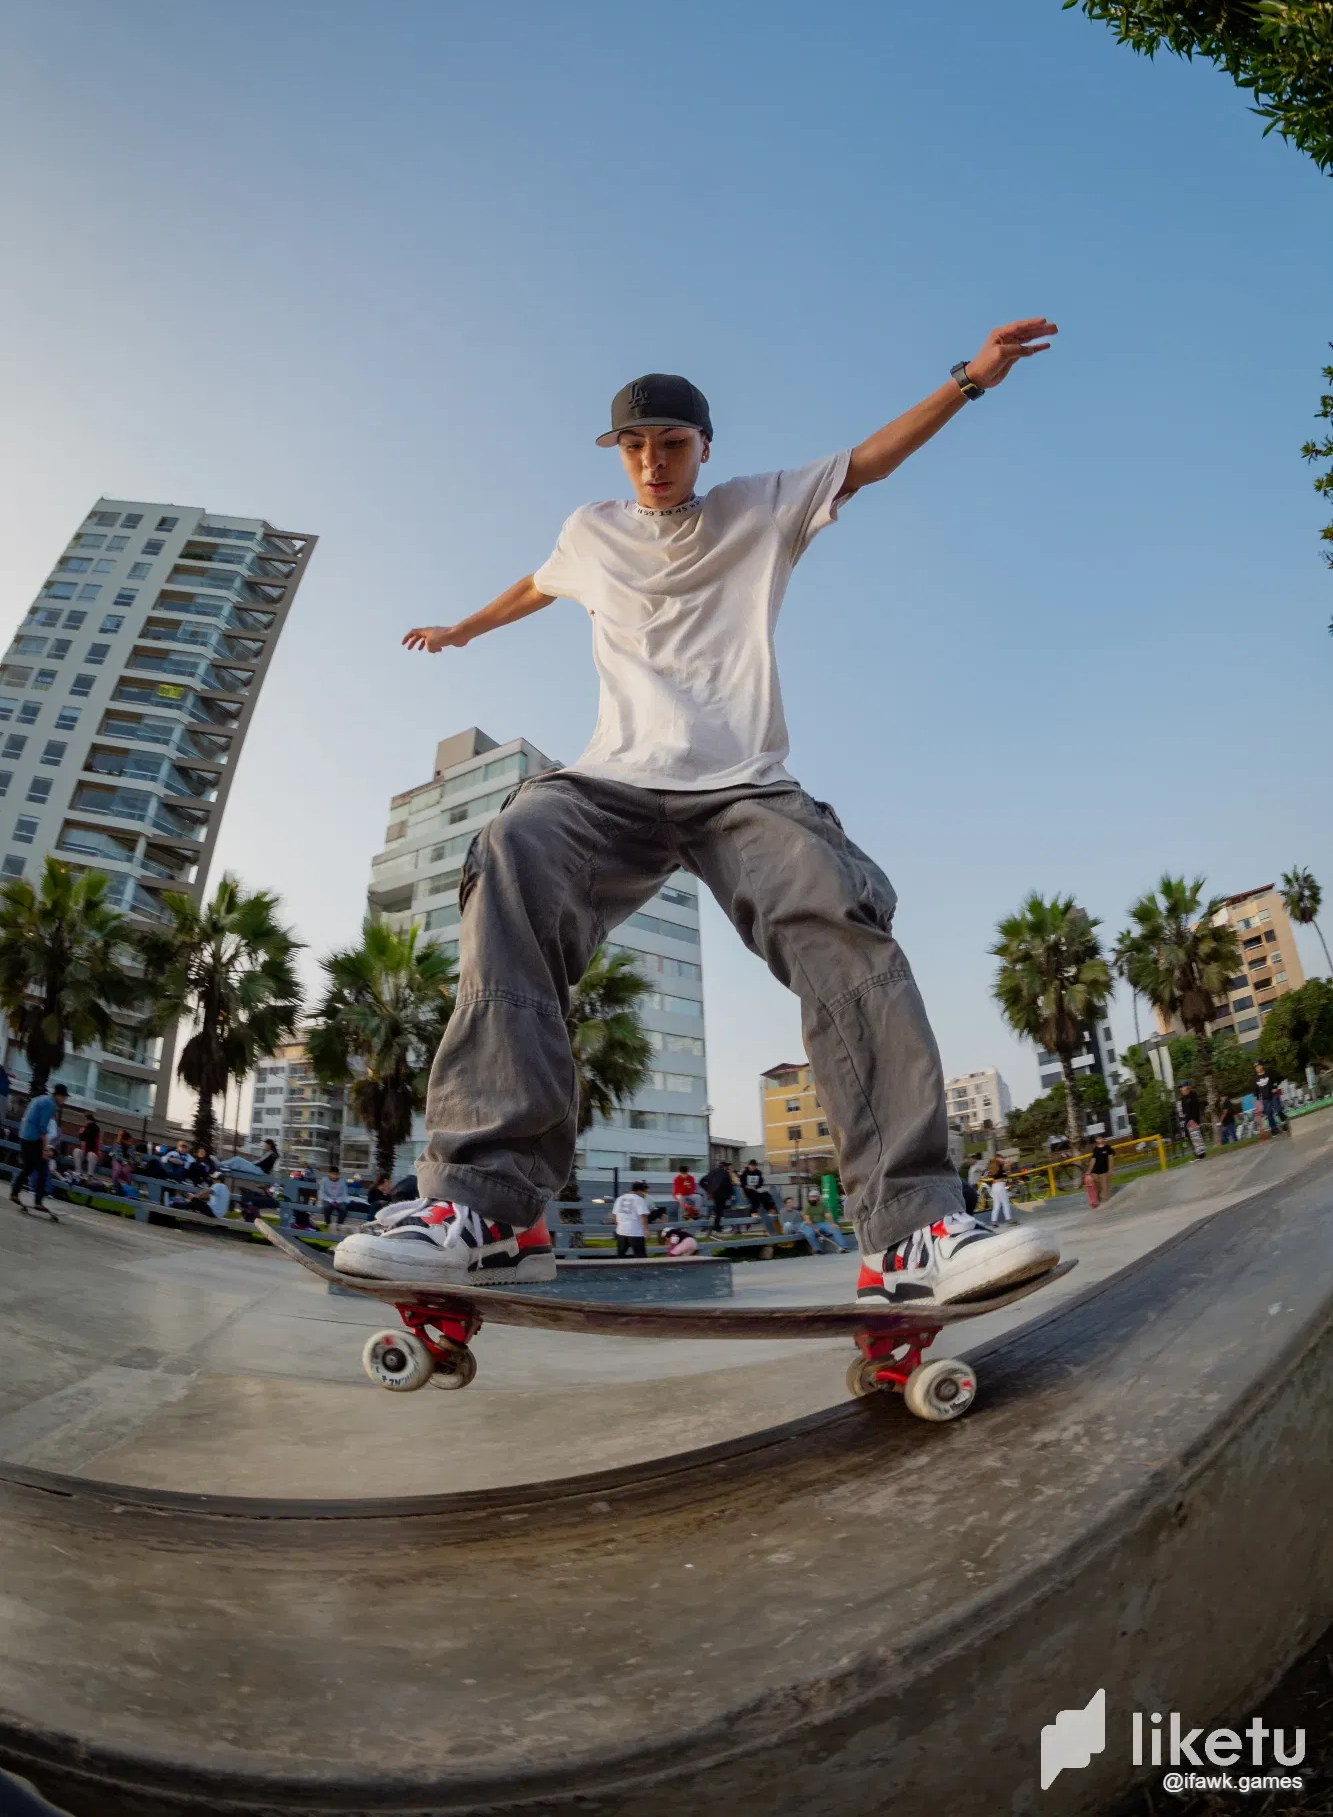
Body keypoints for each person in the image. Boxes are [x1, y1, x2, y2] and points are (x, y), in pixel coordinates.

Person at [333, 323, 1063, 1309]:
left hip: (743, 788)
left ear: (703, 445)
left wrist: (969, 380)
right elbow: (534, 583)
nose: (652, 462)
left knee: (832, 900)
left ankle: (913, 1226)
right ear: (617, 452)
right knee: (510, 847)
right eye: (635, 446)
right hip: (610, 787)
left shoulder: (760, 507)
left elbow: (870, 459)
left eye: (671, 443)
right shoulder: (590, 532)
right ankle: (489, 1210)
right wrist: (466, 624)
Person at [9, 1083, 67, 1216]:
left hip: (24, 1135)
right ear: (58, 1095)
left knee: (28, 1167)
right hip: (33, 1138)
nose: (64, 1100)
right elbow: (42, 1129)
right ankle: (38, 1202)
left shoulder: (39, 1098)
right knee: (42, 1169)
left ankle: (14, 1193)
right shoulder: (50, 1105)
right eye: (64, 1097)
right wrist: (45, 1148)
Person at [610, 1181, 655, 1259]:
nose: (644, 1195)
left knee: (620, 1255)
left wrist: (619, 1224)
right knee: (640, 1255)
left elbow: (615, 1215)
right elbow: (643, 1216)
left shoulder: (620, 1198)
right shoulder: (639, 1199)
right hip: (635, 1231)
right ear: (639, 1190)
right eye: (643, 1192)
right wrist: (646, 1230)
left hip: (621, 1231)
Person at [698, 1160, 737, 1237]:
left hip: (714, 1194)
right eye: (728, 1166)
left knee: (719, 1210)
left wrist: (708, 1189)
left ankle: (717, 1226)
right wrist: (731, 1194)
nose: (729, 1168)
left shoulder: (712, 1172)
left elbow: (701, 1182)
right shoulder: (726, 1173)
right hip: (722, 1195)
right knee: (719, 1211)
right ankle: (717, 1227)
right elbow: (729, 1185)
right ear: (725, 1167)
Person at [1254, 1061, 1289, 1137]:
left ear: (1262, 1066)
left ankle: (1285, 1123)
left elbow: (1280, 1078)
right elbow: (1256, 1089)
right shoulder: (1255, 1078)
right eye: (1256, 1067)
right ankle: (1274, 1130)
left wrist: (1275, 1087)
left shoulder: (1269, 1073)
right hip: (1265, 1098)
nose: (1257, 1068)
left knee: (1278, 1109)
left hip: (1273, 1095)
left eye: (1258, 1066)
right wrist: (1257, 1099)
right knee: (1269, 1114)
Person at [317, 1163, 351, 1230]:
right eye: (333, 1174)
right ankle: (328, 1223)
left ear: (338, 1174)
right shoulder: (324, 1181)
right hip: (328, 1199)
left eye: (336, 1174)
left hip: (339, 1200)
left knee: (344, 1208)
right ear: (329, 1174)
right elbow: (322, 1193)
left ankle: (339, 1224)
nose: (335, 1176)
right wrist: (331, 1201)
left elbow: (344, 1194)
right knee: (326, 1207)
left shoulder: (342, 1181)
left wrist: (338, 1201)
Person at [1178, 1082, 1206, 1158]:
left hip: (1194, 1121)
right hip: (1187, 1122)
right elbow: (1183, 1112)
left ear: (1187, 1087)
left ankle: (1201, 1155)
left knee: (1197, 1138)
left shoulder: (1193, 1095)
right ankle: (1196, 1154)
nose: (1181, 1089)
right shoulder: (1183, 1099)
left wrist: (1193, 1119)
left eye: (1182, 1087)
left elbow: (1195, 1108)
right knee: (1191, 1139)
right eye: (1180, 1087)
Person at [985, 1155, 1013, 1226]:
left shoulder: (993, 1168)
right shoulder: (1000, 1167)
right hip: (1000, 1186)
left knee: (996, 1206)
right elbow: (1006, 1171)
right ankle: (1009, 1220)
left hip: (994, 1187)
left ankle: (993, 1222)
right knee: (1005, 1204)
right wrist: (1008, 1165)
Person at [1087, 1136, 1114, 1207]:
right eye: (1097, 1139)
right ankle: (1097, 1201)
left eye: (1100, 1138)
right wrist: (1089, 1171)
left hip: (1104, 1171)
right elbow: (1093, 1160)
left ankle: (1106, 1202)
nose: (1099, 1140)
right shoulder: (1095, 1149)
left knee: (1105, 1187)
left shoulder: (1108, 1148)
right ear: (1096, 1140)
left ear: (1103, 1139)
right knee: (1097, 1188)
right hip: (1095, 1172)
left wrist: (1110, 1170)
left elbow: (1111, 1159)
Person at [75, 1111, 102, 1182]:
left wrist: (89, 1127)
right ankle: (78, 1172)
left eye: (85, 1119)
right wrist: (84, 1130)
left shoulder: (96, 1129)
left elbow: (93, 1143)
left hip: (93, 1154)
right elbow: (81, 1140)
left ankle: (90, 1176)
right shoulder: (83, 1129)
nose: (84, 1121)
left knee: (91, 1154)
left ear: (89, 1120)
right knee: (76, 1151)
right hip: (84, 1153)